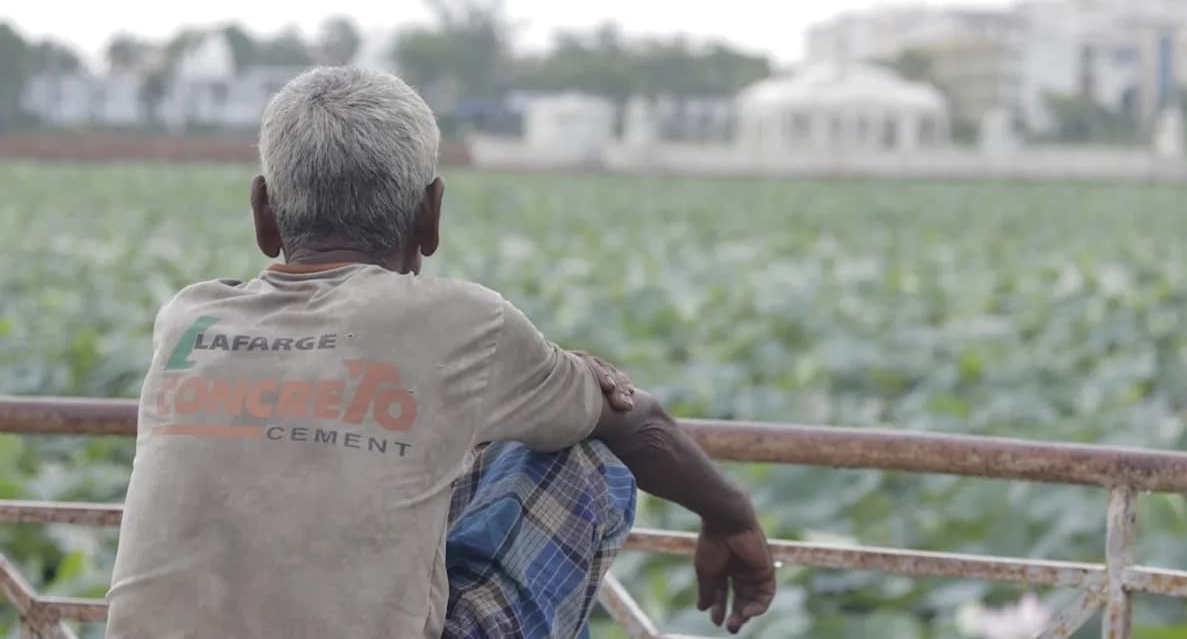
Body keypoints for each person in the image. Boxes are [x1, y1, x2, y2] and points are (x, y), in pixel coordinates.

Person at [105, 66, 775, 639]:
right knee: (589, 455)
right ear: (431, 215)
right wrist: (730, 514)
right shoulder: (463, 322)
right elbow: (634, 420)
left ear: (263, 213)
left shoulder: (186, 319)